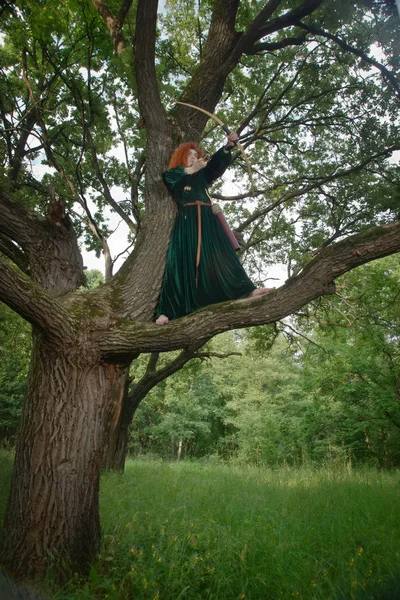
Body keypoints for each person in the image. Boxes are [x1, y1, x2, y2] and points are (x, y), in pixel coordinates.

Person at [156, 132, 274, 325]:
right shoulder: (175, 174)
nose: (194, 158)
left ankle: (246, 291)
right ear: (181, 158)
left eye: (196, 156)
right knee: (179, 262)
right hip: (188, 220)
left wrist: (227, 147)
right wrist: (192, 168)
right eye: (190, 156)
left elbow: (215, 168)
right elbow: (170, 179)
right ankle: (167, 311)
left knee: (223, 255)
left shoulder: (202, 176)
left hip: (209, 220)